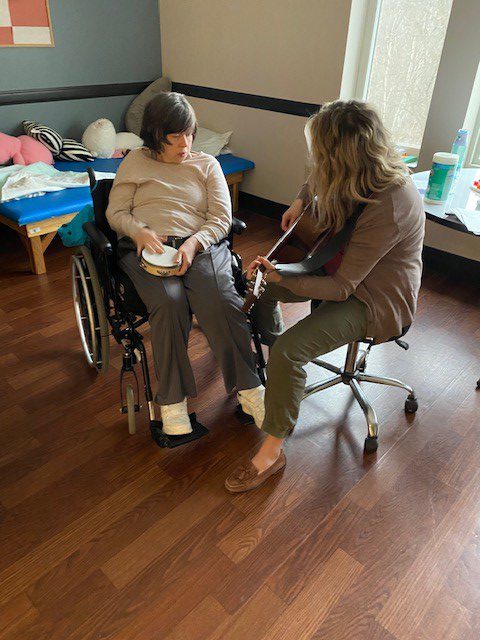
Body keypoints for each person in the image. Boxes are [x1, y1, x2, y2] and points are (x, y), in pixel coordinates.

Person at [225, 100, 425, 493]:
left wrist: (283, 274)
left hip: (374, 299)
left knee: (290, 349)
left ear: (342, 155)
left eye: (321, 152)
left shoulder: (393, 201)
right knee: (259, 288)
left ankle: (272, 451)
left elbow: (341, 288)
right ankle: (274, 364)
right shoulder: (352, 168)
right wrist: (301, 199)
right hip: (339, 267)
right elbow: (316, 175)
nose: (316, 160)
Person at [106, 92, 264, 435]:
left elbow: (222, 218)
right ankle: (173, 401)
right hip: (149, 249)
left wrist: (195, 243)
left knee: (222, 300)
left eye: (189, 133)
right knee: (169, 300)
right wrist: (139, 231)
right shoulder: (134, 161)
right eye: (174, 136)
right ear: (154, 135)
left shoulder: (207, 164)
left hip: (201, 246)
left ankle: (250, 390)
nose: (185, 143)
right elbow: (115, 212)